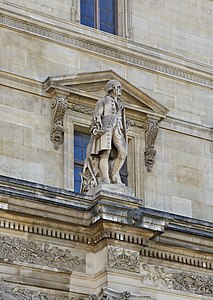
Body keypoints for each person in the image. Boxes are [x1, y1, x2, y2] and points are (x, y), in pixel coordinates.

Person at [81, 79, 127, 193]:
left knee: (123, 152)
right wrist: (96, 129)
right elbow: (97, 116)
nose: (120, 90)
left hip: (117, 129)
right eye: (118, 87)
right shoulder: (102, 101)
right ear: (111, 88)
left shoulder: (120, 105)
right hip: (105, 129)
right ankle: (106, 178)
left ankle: (114, 175)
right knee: (104, 154)